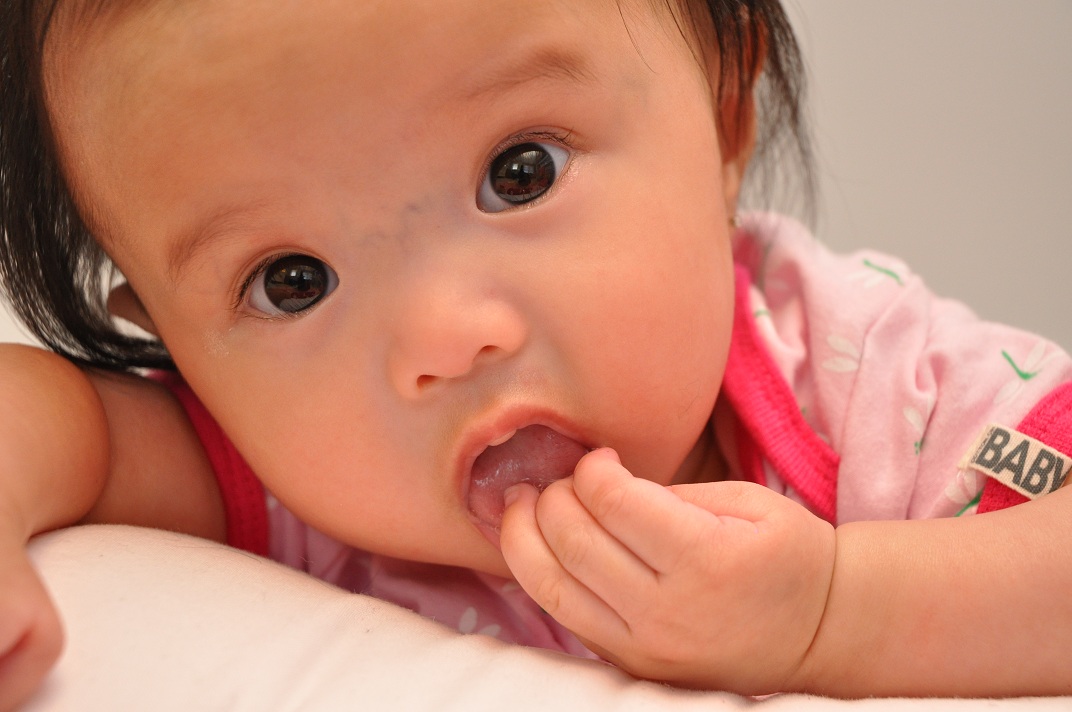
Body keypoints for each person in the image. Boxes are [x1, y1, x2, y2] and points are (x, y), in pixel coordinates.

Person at [1, 0, 1070, 708]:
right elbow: (65, 419)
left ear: (723, 111)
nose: (446, 337)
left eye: (520, 173)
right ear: (175, 340)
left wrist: (836, 609)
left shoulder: (860, 375)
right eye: (293, 281)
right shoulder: (292, 486)